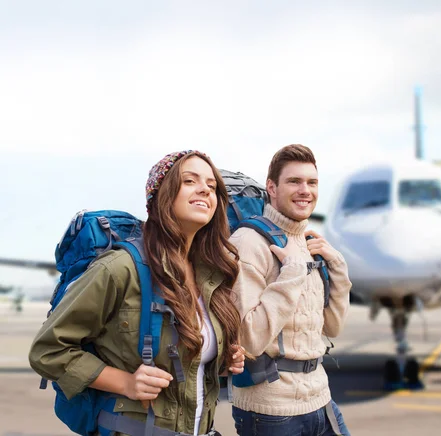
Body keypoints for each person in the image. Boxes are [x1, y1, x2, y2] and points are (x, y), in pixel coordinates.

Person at [29, 150, 245, 436]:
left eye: (212, 185)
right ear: (162, 195)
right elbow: (48, 350)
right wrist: (125, 382)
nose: (205, 188)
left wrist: (221, 357)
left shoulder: (211, 275)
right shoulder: (121, 268)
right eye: (190, 181)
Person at [229, 144, 352, 435]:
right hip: (272, 412)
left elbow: (333, 328)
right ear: (271, 187)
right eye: (294, 181)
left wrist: (338, 266)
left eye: (311, 182)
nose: (305, 190)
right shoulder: (248, 243)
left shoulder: (310, 243)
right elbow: (248, 339)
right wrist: (292, 274)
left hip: (320, 398)